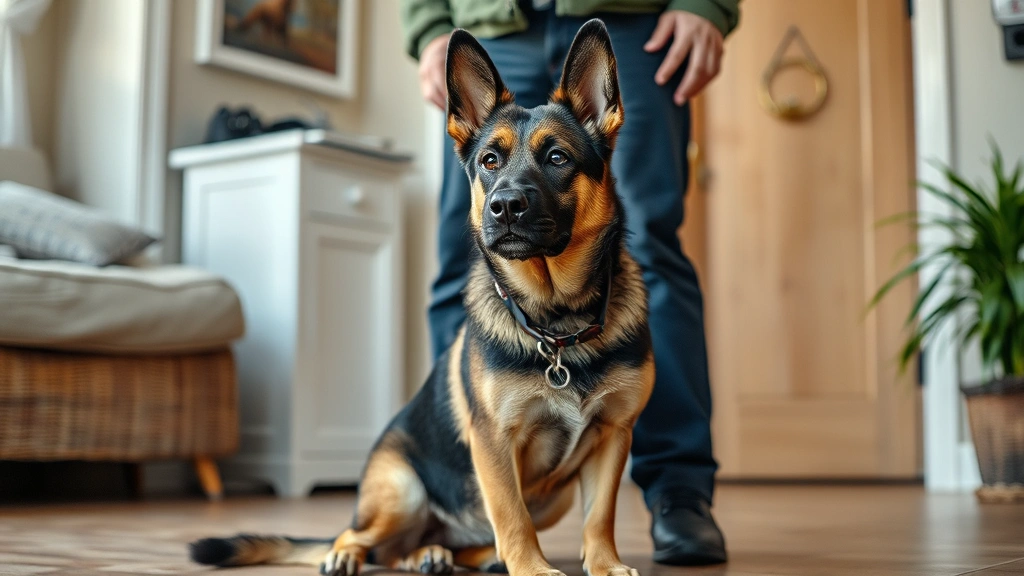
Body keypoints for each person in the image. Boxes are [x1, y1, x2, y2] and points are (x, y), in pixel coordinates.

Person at [400, 0, 740, 566]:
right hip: (488, 18)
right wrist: (430, 25)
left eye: (556, 156)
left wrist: (706, 5)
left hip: (635, 20)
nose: (509, 196)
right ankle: (471, 487)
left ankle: (679, 492)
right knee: (462, 260)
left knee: (652, 246)